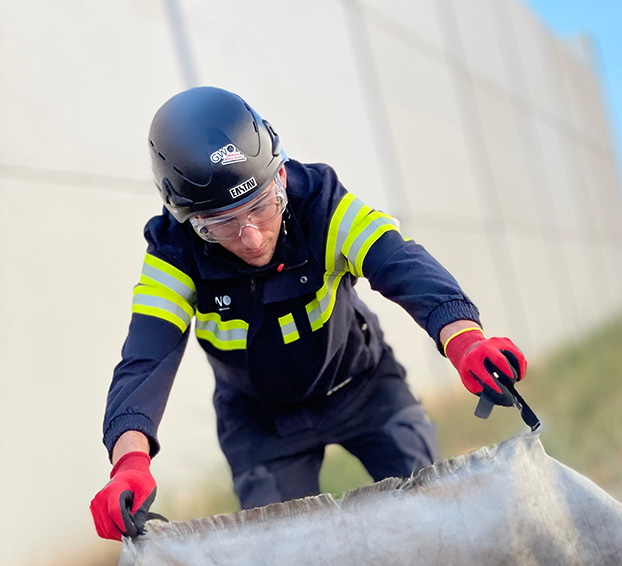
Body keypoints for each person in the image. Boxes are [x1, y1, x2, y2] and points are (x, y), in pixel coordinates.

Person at [90, 87, 528, 540]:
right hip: (260, 420)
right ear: (188, 220)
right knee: (282, 554)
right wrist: (129, 461)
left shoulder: (321, 201)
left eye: (262, 206)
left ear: (280, 177)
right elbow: (145, 358)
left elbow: (400, 262)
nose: (253, 238)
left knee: (429, 517)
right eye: (221, 223)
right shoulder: (173, 252)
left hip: (361, 384)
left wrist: (465, 339)